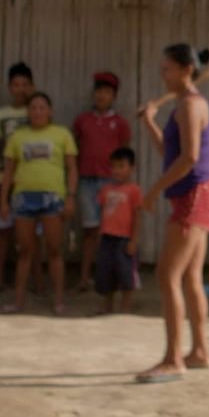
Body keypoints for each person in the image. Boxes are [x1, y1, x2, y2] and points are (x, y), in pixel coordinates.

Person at [136, 44, 209, 383]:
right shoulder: (187, 105)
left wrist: (153, 191)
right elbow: (172, 154)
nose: (163, 75)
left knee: (167, 275)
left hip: (194, 195)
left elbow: (188, 159)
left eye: (167, 68)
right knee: (189, 277)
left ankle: (174, 358)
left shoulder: (189, 105)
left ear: (185, 70)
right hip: (201, 194)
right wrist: (149, 123)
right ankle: (199, 351)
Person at [0, 92, 78, 315]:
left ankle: (59, 301)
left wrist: (71, 196)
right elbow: (8, 172)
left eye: (42, 107)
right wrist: (4, 200)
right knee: (25, 251)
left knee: (54, 250)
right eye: (33, 107)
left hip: (53, 197)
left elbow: (72, 168)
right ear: (28, 112)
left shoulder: (62, 134)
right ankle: (18, 301)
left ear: (50, 111)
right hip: (24, 198)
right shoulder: (17, 137)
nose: (37, 111)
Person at [73, 71, 133, 294]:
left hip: (112, 184)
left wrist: (124, 184)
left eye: (107, 92)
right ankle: (84, 277)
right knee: (90, 230)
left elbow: (125, 153)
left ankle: (110, 277)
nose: (102, 96)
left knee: (112, 232)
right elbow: (76, 150)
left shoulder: (120, 123)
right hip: (87, 181)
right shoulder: (82, 121)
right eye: (99, 91)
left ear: (114, 96)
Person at [0, 62, 35, 298]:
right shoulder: (1, 114)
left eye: (25, 84)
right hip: (1, 179)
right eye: (16, 84)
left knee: (31, 234)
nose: (20, 89)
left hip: (30, 181)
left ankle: (34, 280)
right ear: (9, 87)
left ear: (32, 86)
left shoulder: (36, 111)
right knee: (1, 231)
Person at [95, 147, 144, 315]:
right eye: (114, 166)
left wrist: (133, 240)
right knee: (106, 273)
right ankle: (108, 307)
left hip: (124, 239)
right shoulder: (106, 190)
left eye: (122, 166)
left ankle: (125, 309)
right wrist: (99, 234)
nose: (117, 170)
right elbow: (102, 212)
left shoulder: (134, 190)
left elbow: (138, 216)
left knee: (125, 274)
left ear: (131, 168)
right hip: (107, 237)